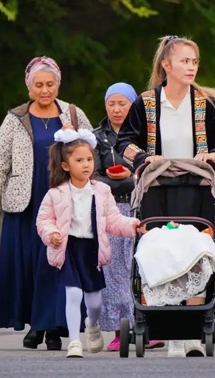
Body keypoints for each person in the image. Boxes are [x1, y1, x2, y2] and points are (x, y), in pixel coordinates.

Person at [115, 35, 215, 357]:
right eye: (184, 61)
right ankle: (169, 332)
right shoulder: (146, 103)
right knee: (160, 252)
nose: (191, 67)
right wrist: (144, 158)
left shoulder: (206, 103)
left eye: (195, 61)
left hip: (198, 191)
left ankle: (194, 333)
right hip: (157, 191)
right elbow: (124, 142)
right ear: (166, 65)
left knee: (197, 252)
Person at [0, 56, 93, 351]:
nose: (44, 90)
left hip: (64, 199)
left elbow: (91, 151)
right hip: (26, 203)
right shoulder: (16, 118)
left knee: (58, 261)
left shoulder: (73, 114)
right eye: (38, 85)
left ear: (58, 84)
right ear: (29, 87)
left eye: (50, 84)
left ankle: (54, 327)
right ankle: (35, 324)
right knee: (30, 263)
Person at [36, 128, 147, 358]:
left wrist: (133, 225)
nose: (86, 164)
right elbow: (44, 220)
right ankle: (74, 342)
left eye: (89, 159)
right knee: (73, 294)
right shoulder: (56, 194)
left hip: (92, 251)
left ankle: (92, 324)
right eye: (79, 160)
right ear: (66, 165)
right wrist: (52, 234)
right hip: (68, 249)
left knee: (95, 303)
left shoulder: (102, 191)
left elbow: (113, 220)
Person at [92, 82, 163, 352]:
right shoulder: (96, 137)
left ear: (133, 106)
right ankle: (119, 331)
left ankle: (150, 327)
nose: (117, 109)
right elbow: (91, 176)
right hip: (110, 210)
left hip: (143, 207)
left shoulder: (146, 137)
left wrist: (130, 178)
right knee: (114, 271)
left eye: (123, 104)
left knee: (144, 266)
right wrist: (124, 181)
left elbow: (154, 172)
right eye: (111, 104)